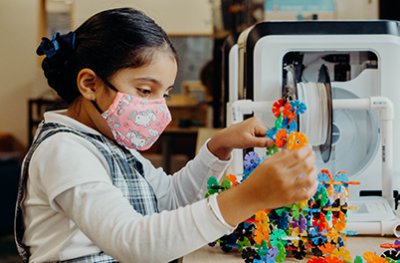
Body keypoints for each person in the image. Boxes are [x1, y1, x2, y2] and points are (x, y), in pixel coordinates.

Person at [15, 7, 318, 263]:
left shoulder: (112, 140)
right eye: (145, 90)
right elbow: (131, 241)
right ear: (90, 84)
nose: (158, 108)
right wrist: (246, 198)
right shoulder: (64, 151)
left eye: (165, 94)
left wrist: (219, 147)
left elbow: (169, 200)